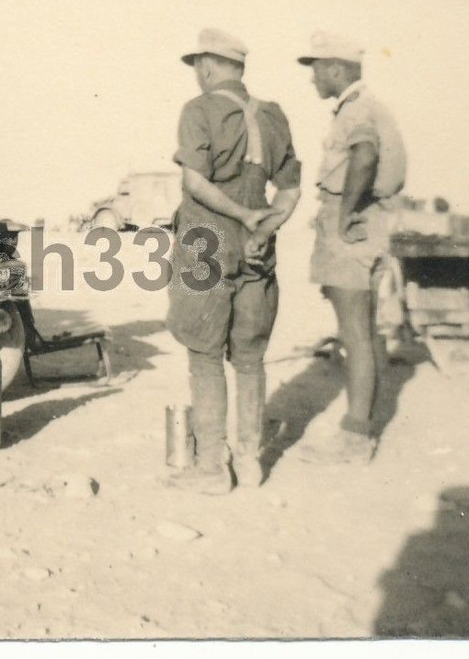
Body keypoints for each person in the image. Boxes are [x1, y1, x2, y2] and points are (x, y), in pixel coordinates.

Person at [166, 28, 303, 494]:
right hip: (257, 248)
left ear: (206, 66)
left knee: (205, 356)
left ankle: (211, 468)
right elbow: (290, 188)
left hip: (208, 241)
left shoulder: (199, 111)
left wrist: (243, 215)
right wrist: (265, 223)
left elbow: (195, 182)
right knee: (250, 358)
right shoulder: (273, 115)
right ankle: (249, 461)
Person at [296, 31, 407, 464]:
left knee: (355, 333)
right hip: (367, 230)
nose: (313, 79)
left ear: (336, 69)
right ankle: (359, 427)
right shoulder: (367, 106)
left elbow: (363, 157)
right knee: (362, 331)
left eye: (316, 69)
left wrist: (343, 215)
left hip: (352, 236)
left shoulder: (356, 110)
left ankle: (356, 437)